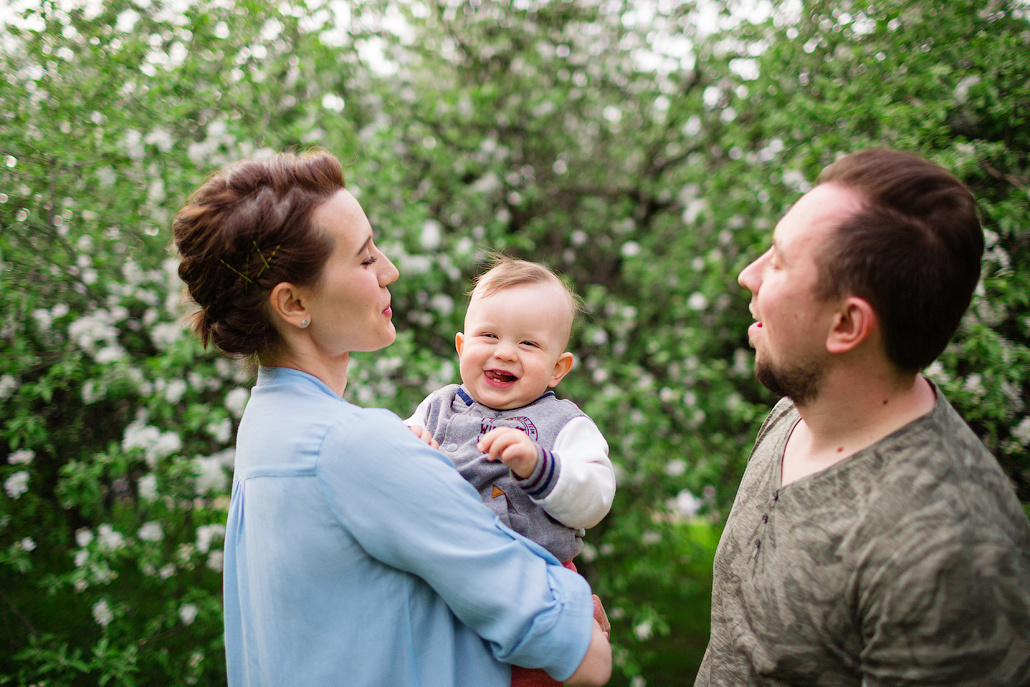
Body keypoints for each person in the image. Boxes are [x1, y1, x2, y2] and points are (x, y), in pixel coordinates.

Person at [172, 150, 612, 687]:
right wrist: (573, 612)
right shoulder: (355, 446)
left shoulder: (267, 425)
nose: (390, 269)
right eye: (363, 259)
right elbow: (587, 659)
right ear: (293, 304)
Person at [696, 148, 1030, 686]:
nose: (747, 275)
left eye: (779, 262)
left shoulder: (952, 551)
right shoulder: (796, 413)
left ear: (847, 325)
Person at [405, 257, 616, 687]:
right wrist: (410, 450)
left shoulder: (564, 425)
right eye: (489, 335)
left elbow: (595, 496)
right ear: (463, 347)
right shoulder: (438, 409)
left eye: (529, 344)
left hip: (539, 586)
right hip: (452, 587)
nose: (504, 352)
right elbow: (391, 468)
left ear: (558, 368)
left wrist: (540, 467)